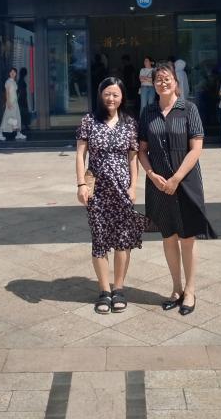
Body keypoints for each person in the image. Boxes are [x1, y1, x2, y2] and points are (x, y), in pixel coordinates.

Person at [138, 61, 216, 317]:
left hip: (186, 183)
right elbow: (142, 150)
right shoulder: (148, 112)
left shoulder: (188, 109)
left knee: (187, 238)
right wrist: (152, 175)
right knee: (168, 236)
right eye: (158, 79)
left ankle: (190, 290)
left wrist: (176, 178)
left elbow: (196, 148)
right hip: (158, 184)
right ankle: (176, 288)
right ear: (153, 84)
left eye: (166, 78)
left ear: (175, 82)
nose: (162, 83)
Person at [76, 77, 146, 314]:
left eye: (115, 94)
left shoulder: (129, 123)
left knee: (123, 240)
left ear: (122, 97)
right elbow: (80, 155)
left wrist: (133, 186)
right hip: (97, 192)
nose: (111, 98)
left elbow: (133, 158)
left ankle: (119, 289)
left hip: (121, 190)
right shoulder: (89, 121)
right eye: (107, 94)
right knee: (99, 239)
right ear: (100, 95)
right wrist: (81, 184)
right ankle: (104, 291)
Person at [0, 67, 27, 141]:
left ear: (16, 74)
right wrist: (8, 102)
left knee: (16, 117)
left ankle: (18, 133)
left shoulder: (14, 82)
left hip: (15, 103)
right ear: (9, 73)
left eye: (14, 72)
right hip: (10, 103)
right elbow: (7, 93)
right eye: (11, 72)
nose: (13, 73)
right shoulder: (8, 81)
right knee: (7, 118)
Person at [17, 67, 31, 134]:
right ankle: (25, 125)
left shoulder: (20, 80)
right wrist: (23, 99)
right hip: (22, 99)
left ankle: (24, 125)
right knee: (23, 112)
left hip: (21, 98)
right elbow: (21, 91)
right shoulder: (21, 81)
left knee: (23, 112)